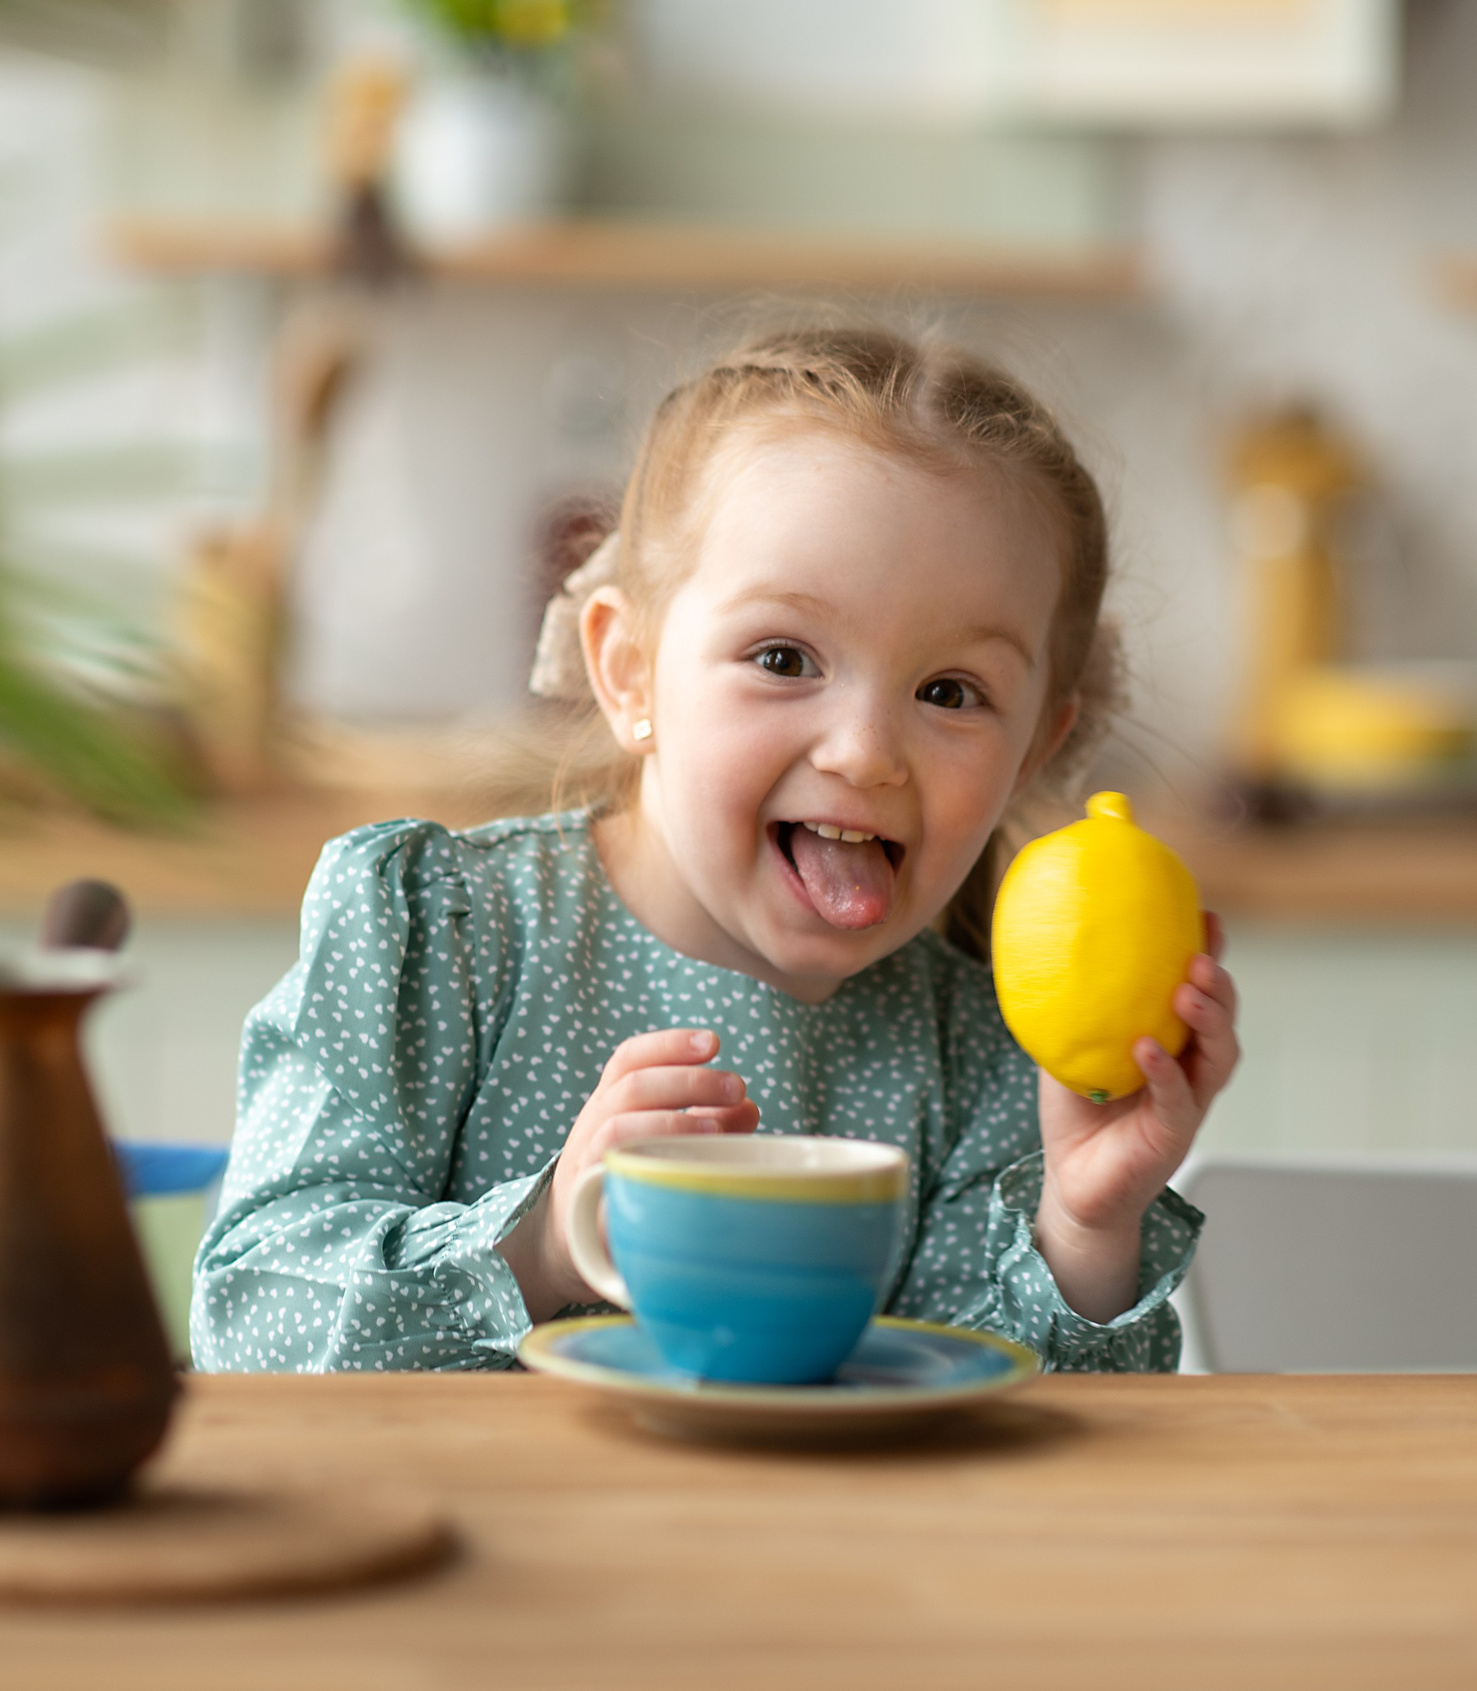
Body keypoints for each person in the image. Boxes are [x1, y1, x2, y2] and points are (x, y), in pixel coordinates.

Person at [192, 326, 1241, 1374]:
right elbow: (247, 1319)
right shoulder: (443, 938)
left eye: (950, 692)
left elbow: (1015, 1456)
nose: (866, 751)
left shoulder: (993, 1055)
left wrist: (1086, 1227)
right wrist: (549, 1237)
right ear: (631, 671)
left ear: (1031, 752)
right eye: (784, 657)